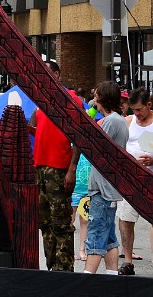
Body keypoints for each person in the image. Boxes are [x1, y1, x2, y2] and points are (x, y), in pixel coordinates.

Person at [29, 61, 80, 272]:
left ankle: (65, 270)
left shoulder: (70, 99)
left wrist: (72, 168)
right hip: (40, 167)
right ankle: (52, 267)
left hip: (59, 168)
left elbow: (79, 137)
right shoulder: (41, 102)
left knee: (61, 223)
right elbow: (35, 126)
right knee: (45, 223)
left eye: (47, 74)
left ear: (57, 74)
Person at [84, 82, 129, 275]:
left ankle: (86, 282)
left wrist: (92, 114)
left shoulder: (112, 122)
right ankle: (112, 279)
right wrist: (93, 112)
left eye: (96, 95)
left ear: (102, 97)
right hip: (107, 188)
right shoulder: (117, 120)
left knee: (95, 237)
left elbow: (93, 146)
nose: (94, 98)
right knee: (109, 238)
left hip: (103, 190)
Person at [118, 87, 153, 275]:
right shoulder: (128, 121)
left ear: (149, 104)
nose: (136, 114)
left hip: (151, 179)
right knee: (126, 219)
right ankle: (128, 261)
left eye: (139, 109)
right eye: (133, 110)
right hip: (130, 179)